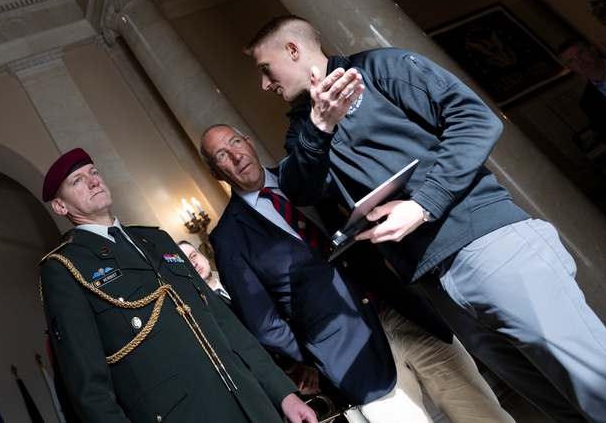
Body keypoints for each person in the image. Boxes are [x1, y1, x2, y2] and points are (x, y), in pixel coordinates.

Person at [246, 15, 606, 422]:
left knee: (601, 389)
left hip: (488, 245)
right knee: (559, 405)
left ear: (293, 50)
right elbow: (300, 189)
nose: (265, 84)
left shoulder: (382, 68)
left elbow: (476, 119)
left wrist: (423, 203)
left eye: (264, 69)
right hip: (436, 281)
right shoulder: (303, 127)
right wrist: (321, 125)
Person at [200, 123, 514, 423]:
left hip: (404, 313)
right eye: (222, 156)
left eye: (236, 143)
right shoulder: (228, 238)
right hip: (351, 356)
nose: (236, 155)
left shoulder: (304, 175)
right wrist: (320, 347)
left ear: (249, 143)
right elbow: (264, 324)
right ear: (215, 172)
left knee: (486, 414)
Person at [38, 147, 318, 423]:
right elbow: (88, 387)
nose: (93, 181)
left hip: (253, 404)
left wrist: (284, 395)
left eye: (94, 172)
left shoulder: (156, 240)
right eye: (77, 181)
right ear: (61, 206)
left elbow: (225, 323)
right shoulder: (65, 267)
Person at [556, 38, 606, 158]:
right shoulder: (588, 102)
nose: (580, 62)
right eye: (571, 61)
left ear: (593, 50)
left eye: (580, 53)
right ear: (570, 68)